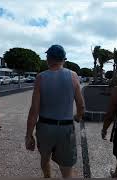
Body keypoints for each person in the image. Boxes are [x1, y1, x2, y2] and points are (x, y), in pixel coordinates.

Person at [25, 45, 85, 178]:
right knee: (66, 166)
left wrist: (28, 135)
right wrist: (77, 116)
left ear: (48, 59)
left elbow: (34, 111)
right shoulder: (73, 76)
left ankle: (47, 177)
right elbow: (81, 106)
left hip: (45, 127)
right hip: (65, 128)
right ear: (64, 59)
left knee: (45, 158)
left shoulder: (40, 78)